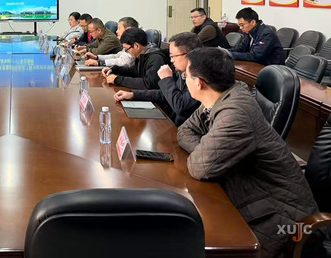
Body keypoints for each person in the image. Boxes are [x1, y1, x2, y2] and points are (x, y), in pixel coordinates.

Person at [177, 48, 319, 257]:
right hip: (253, 199)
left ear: (199, 83)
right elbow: (184, 131)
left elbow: (201, 166)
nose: (184, 80)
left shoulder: (236, 112)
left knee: (190, 243)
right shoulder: (220, 98)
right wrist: (206, 148)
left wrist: (206, 152)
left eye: (185, 76)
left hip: (283, 222)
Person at [114, 33, 202, 126]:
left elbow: (181, 106)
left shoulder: (200, 78)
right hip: (173, 123)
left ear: (189, 55)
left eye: (173, 56)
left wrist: (167, 79)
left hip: (182, 128)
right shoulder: (182, 73)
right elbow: (165, 94)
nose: (171, 60)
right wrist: (133, 94)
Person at [103, 28, 169, 89]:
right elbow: (135, 72)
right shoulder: (142, 54)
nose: (126, 52)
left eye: (126, 49)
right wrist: (114, 69)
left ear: (136, 46)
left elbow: (148, 84)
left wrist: (117, 80)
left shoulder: (155, 59)